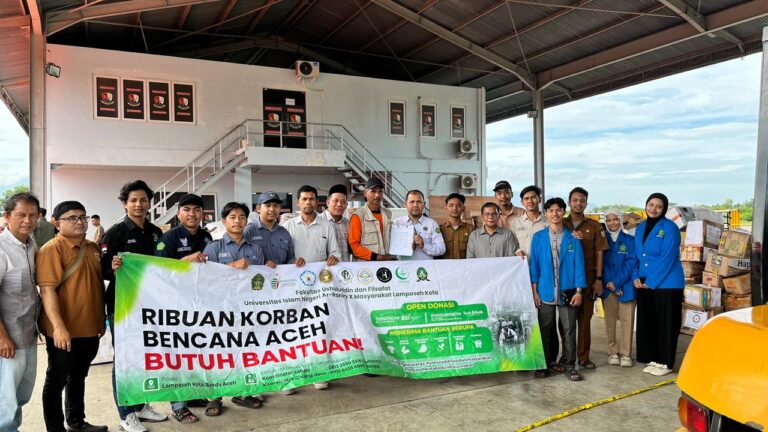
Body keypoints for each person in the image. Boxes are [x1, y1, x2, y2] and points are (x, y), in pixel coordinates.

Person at [102, 180, 167, 432]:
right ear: (124, 203)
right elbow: (103, 270)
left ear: (149, 203)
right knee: (124, 360)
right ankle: (126, 413)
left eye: (143, 200)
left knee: (142, 358)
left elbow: (163, 266)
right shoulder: (115, 233)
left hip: (149, 305)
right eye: (133, 200)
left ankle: (141, 406)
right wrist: (114, 269)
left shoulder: (155, 232)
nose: (139, 204)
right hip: (122, 306)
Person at [37, 201, 107, 432]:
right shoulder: (51, 249)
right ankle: (56, 429)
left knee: (77, 378)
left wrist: (100, 319)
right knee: (56, 381)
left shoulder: (92, 248)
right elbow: (47, 290)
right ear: (57, 224)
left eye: (82, 217)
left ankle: (76, 423)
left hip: (90, 328)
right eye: (72, 218)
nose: (80, 222)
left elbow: (95, 286)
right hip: (63, 331)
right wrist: (58, 327)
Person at [154, 194, 212, 423]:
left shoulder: (207, 236)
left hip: (200, 303)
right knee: (178, 354)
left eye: (196, 210)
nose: (192, 214)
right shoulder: (167, 238)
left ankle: (194, 394)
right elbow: (157, 269)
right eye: (186, 209)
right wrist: (186, 260)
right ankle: (178, 405)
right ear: (179, 213)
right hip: (175, 305)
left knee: (198, 352)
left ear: (202, 213)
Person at [203, 202, 266, 412]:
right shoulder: (213, 247)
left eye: (241, 217)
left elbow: (262, 278)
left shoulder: (256, 248)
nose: (237, 221)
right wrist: (232, 266)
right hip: (220, 310)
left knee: (246, 351)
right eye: (232, 217)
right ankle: (215, 396)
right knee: (219, 353)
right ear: (223, 221)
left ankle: (243, 393)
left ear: (246, 221)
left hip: (248, 310)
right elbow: (204, 278)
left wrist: (270, 269)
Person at [282, 185, 340, 390]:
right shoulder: (288, 226)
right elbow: (284, 256)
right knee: (293, 330)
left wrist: (334, 258)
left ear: (317, 202)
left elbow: (335, 253)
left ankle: (320, 373)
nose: (308, 202)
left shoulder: (327, 226)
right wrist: (292, 261)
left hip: (319, 287)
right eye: (304, 199)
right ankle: (291, 377)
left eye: (312, 199)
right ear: (298, 202)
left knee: (319, 328)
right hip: (294, 287)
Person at [529, 197, 586, 382]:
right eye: (551, 210)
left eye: (559, 210)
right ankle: (546, 363)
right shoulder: (538, 238)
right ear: (546, 213)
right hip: (545, 291)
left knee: (569, 329)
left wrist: (579, 291)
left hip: (568, 291)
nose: (555, 213)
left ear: (564, 212)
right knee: (546, 328)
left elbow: (579, 266)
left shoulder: (573, 237)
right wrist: (535, 291)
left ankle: (570, 365)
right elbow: (534, 266)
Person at [0, 192, 40, 432]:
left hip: (29, 335)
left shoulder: (31, 244)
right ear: (7, 216)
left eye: (33, 215)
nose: (28, 220)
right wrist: (2, 337)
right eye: (21, 215)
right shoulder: (2, 248)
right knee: (5, 399)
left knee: (22, 394)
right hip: (8, 339)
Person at [633, 193, 684, 377]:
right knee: (650, 323)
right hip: (644, 282)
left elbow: (668, 258)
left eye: (658, 206)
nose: (653, 209)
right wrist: (636, 277)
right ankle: (653, 357)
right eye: (651, 204)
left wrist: (652, 281)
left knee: (666, 323)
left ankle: (666, 362)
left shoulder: (670, 228)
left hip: (667, 283)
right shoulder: (640, 228)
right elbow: (637, 256)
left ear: (664, 209)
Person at [561, 187, 608, 371]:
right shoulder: (561, 224)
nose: (578, 203)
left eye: (582, 200)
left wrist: (598, 278)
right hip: (565, 280)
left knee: (584, 319)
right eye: (575, 200)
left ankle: (583, 357)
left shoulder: (595, 226)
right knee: (565, 321)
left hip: (588, 278)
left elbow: (599, 253)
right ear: (569, 202)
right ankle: (566, 355)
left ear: (586, 203)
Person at [601, 209, 637, 368]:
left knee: (627, 322)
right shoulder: (602, 240)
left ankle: (626, 354)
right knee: (610, 322)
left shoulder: (630, 240)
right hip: (608, 287)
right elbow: (601, 263)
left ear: (621, 221)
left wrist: (617, 283)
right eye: (608, 220)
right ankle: (612, 352)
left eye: (615, 219)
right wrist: (611, 285)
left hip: (626, 286)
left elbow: (631, 263)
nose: (612, 223)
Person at [244, 191, 296, 268]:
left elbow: (290, 258)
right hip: (258, 278)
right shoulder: (249, 231)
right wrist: (263, 262)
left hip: (281, 278)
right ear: (258, 209)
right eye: (267, 205)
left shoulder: (284, 233)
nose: (272, 209)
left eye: (276, 206)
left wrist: (296, 262)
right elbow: (243, 257)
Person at [349, 178, 396, 261]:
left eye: (380, 191)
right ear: (365, 193)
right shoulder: (358, 216)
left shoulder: (388, 214)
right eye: (373, 191)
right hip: (366, 268)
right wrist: (377, 257)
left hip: (386, 265)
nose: (377, 195)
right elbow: (354, 246)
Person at [392, 190, 445, 260]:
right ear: (405, 204)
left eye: (419, 202)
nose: (415, 205)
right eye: (412, 202)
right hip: (403, 269)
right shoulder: (397, 223)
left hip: (426, 269)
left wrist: (424, 245)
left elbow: (441, 249)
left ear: (424, 204)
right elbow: (391, 249)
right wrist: (405, 246)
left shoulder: (432, 224)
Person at [509, 185, 548, 257]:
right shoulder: (515, 223)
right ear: (522, 202)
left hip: (543, 265)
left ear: (539, 199)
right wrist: (518, 251)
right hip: (524, 265)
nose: (530, 201)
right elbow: (513, 245)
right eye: (526, 199)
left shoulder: (549, 222)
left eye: (533, 197)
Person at [320, 184, 351, 262]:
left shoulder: (349, 224)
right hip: (322, 270)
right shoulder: (318, 221)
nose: (339, 204)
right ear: (327, 202)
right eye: (335, 201)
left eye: (343, 202)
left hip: (344, 269)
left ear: (346, 205)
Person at [438, 193, 474, 259]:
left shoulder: (471, 229)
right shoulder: (440, 230)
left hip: (465, 267)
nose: (455, 208)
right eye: (451, 205)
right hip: (444, 268)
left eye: (458, 205)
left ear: (463, 208)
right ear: (446, 208)